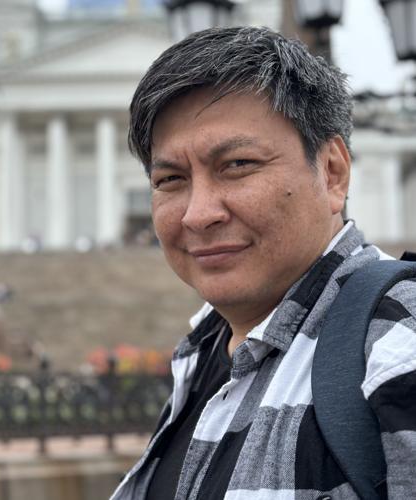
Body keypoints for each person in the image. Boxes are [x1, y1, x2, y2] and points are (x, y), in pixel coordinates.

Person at [111, 26, 416, 499]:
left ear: (332, 172)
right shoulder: (204, 356)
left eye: (237, 165)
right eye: (170, 179)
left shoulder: (396, 342)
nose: (198, 214)